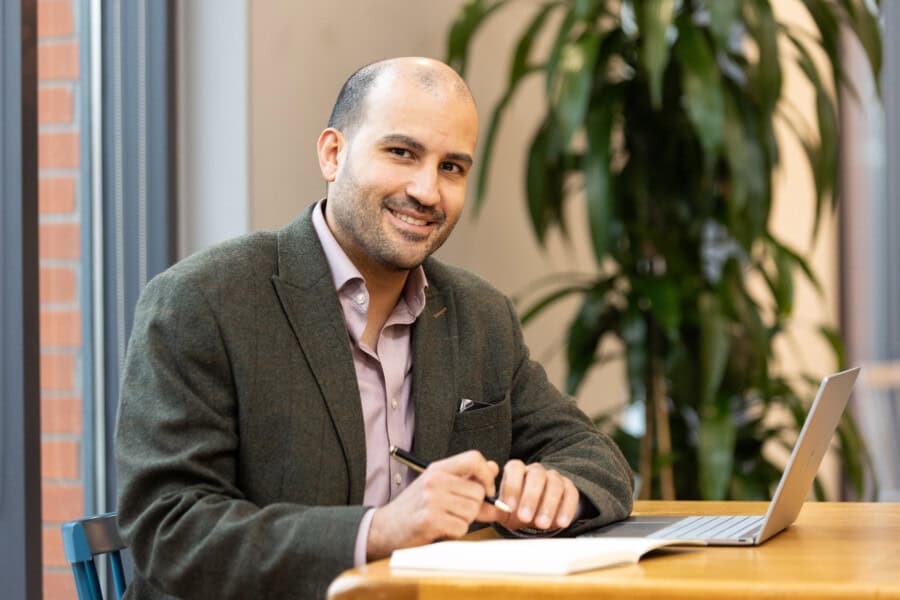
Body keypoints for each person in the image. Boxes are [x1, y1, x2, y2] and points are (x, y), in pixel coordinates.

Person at [115, 57, 633, 599]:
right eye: (402, 153)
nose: (428, 191)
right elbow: (169, 528)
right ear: (333, 154)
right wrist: (379, 531)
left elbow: (594, 457)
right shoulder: (202, 300)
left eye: (452, 167)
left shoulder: (481, 315)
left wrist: (556, 491)